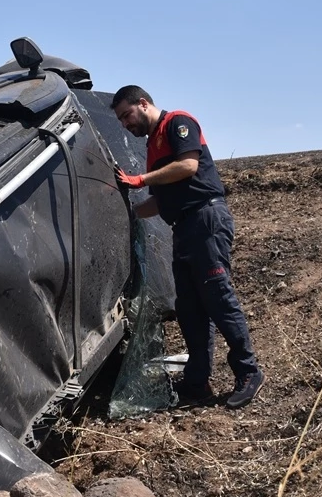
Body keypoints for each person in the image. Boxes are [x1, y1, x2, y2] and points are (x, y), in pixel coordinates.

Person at [110, 85, 264, 409]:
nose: (125, 124)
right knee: (190, 309)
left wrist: (139, 179)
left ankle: (248, 372)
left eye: (127, 115)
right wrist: (127, 214)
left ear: (143, 103)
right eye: (121, 120)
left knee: (218, 297)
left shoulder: (178, 123)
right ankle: (197, 380)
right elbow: (159, 201)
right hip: (183, 228)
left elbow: (188, 166)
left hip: (206, 219)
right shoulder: (153, 145)